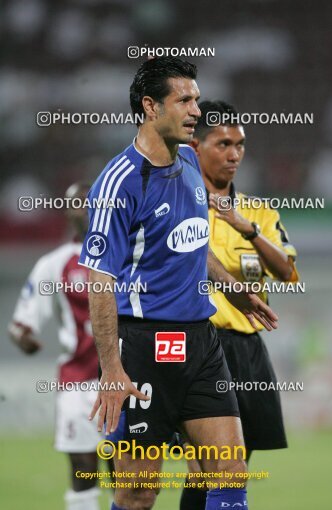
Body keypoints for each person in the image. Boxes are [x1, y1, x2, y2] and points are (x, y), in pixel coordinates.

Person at [79, 56, 278, 510]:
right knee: (138, 493)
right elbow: (100, 280)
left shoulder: (190, 160)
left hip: (201, 344)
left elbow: (193, 243)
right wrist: (111, 369)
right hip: (142, 348)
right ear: (150, 106)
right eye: (184, 100)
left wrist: (231, 288)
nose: (196, 110)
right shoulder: (118, 183)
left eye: (197, 99)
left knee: (229, 474)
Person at [179, 100, 299, 510]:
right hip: (200, 344)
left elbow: (287, 272)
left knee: (233, 469)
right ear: (195, 146)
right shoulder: (182, 206)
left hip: (247, 348)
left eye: (240, 145)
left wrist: (244, 228)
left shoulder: (258, 212)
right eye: (223, 143)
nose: (234, 155)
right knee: (201, 470)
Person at [8, 182, 105, 510]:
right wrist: (23, 337)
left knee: (130, 478)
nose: (85, 208)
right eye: (77, 203)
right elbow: (21, 324)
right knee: (83, 471)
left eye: (90, 201)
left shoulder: (131, 254)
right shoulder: (55, 264)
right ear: (68, 212)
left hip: (125, 381)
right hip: (78, 382)